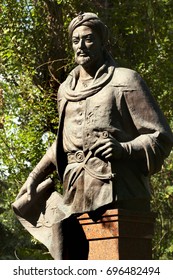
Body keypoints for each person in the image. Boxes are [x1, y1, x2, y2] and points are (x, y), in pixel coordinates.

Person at [13, 12, 173, 259]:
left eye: (88, 39)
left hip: (116, 190)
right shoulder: (66, 90)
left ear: (101, 41)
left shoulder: (125, 80)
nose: (81, 46)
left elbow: (160, 137)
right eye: (75, 41)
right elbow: (63, 142)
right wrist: (35, 176)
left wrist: (125, 149)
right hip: (75, 191)